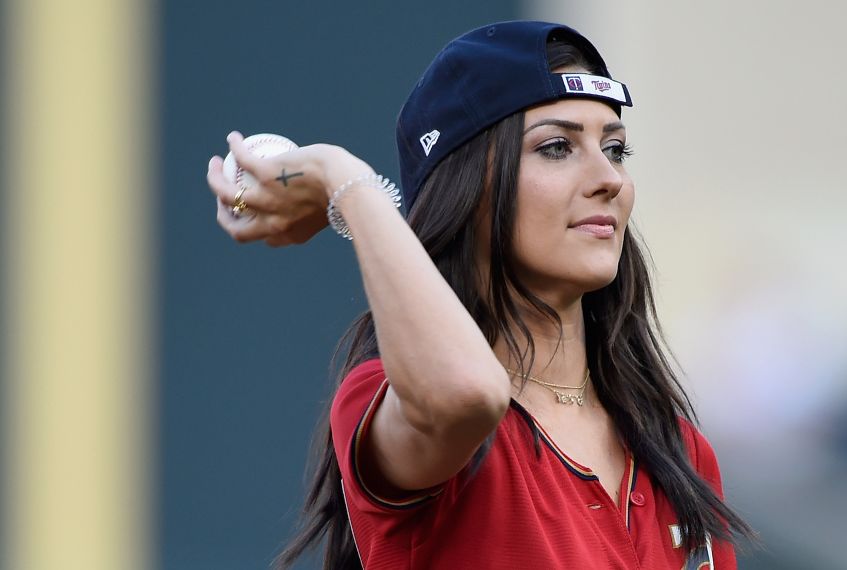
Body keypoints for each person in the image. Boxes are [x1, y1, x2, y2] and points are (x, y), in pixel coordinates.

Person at [206, 20, 752, 570]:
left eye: (615, 149)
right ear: (466, 187)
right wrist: (341, 179)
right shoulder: (390, 399)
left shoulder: (678, 451)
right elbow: (465, 395)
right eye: (558, 147)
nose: (608, 177)